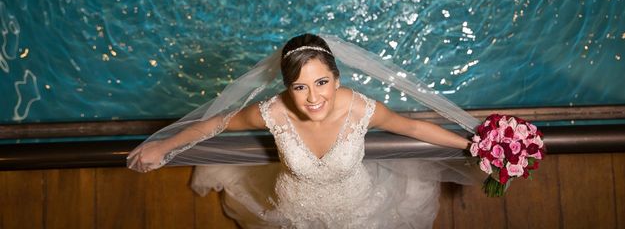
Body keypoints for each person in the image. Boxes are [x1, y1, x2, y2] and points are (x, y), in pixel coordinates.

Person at [128, 34, 479, 228]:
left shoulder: (360, 108)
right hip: (295, 215)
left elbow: (413, 126)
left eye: (322, 82)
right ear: (285, 88)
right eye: (299, 87)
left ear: (337, 79)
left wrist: (471, 145)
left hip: (360, 214)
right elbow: (216, 122)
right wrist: (164, 146)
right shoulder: (273, 113)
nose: (313, 98)